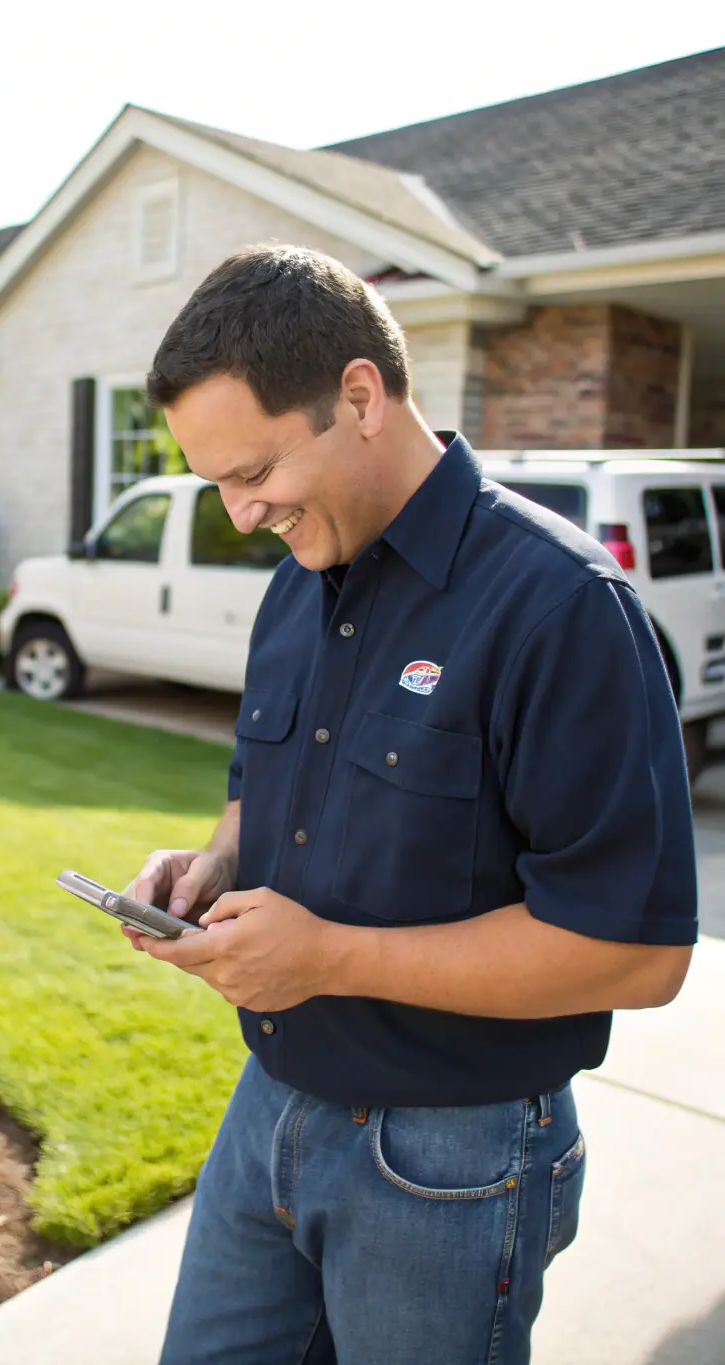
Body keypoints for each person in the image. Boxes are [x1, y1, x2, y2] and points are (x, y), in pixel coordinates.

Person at [122, 244, 697, 1365]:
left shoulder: (562, 608)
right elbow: (261, 792)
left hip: (450, 1157)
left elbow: (636, 954)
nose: (239, 515)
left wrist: (326, 957)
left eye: (253, 473)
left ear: (358, 395)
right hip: (267, 1110)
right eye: (216, 485)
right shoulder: (297, 585)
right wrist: (212, 863)